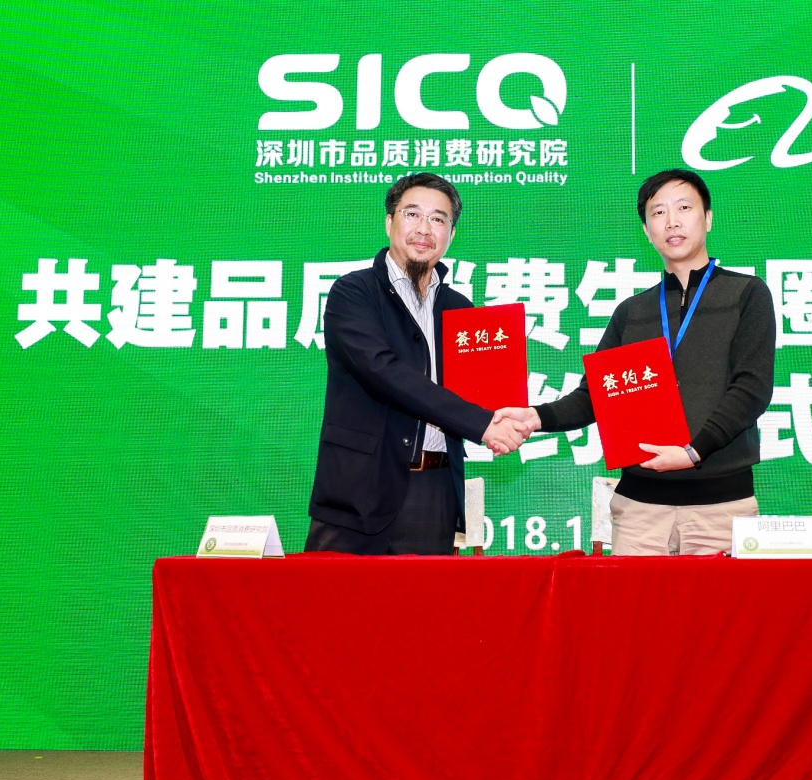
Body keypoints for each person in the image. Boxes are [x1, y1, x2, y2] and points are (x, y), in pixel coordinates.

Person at [496, 169, 775, 555]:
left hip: (721, 508)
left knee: (720, 600)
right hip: (640, 511)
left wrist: (694, 451)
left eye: (684, 208)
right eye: (658, 212)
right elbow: (595, 396)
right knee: (631, 599)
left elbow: (751, 387)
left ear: (708, 218)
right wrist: (536, 417)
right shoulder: (632, 312)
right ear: (646, 230)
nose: (672, 221)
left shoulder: (746, 294)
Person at [306, 173, 529, 555]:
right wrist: (483, 424)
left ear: (451, 234)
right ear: (389, 222)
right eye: (412, 214)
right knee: (335, 595)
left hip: (435, 492)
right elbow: (384, 372)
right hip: (358, 492)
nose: (424, 229)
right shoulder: (354, 292)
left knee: (428, 595)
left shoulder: (460, 310)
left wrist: (504, 417)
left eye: (438, 219)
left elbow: (479, 389)